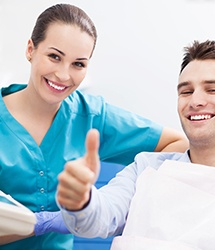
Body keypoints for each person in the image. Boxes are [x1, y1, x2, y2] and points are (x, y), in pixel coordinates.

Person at [0, 3, 188, 250]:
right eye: (54, 57)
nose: (64, 75)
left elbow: (177, 144)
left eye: (78, 64)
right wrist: (37, 224)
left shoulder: (92, 116)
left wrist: (108, 201)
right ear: (30, 49)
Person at [56, 40, 215, 250]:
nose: (195, 101)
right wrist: (82, 200)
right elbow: (100, 216)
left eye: (212, 89)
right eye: (186, 92)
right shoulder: (146, 167)